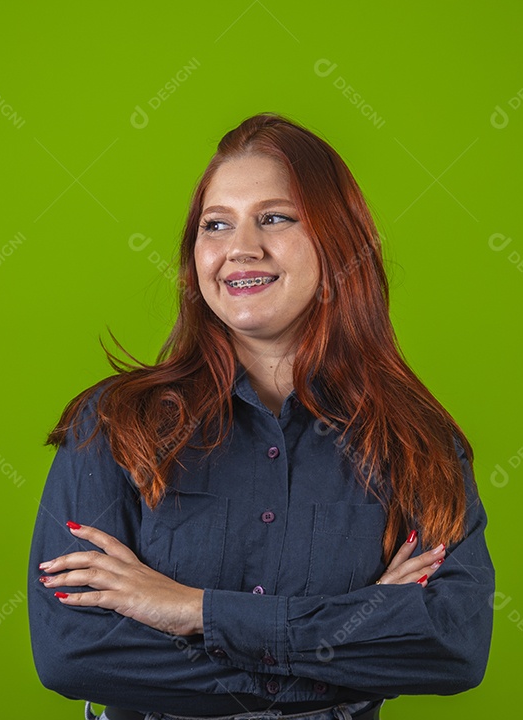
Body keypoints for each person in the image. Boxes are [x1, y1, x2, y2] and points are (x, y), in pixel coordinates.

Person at [27, 112, 495, 720]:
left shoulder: (415, 442)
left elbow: (452, 646)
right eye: (215, 225)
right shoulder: (116, 423)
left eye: (274, 217)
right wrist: (347, 648)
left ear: (338, 242)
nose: (240, 249)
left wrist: (193, 610)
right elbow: (76, 653)